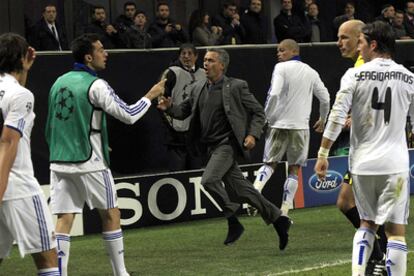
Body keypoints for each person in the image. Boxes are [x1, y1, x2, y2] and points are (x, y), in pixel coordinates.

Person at [45, 33, 165, 276]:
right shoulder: (95, 84)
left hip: (59, 162)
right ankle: (121, 273)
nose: (105, 53)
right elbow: (129, 114)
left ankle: (57, 273)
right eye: (101, 50)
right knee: (111, 213)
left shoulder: (59, 82)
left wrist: (97, 140)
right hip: (91, 163)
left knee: (64, 219)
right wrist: (151, 95)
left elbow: (53, 126)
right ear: (89, 57)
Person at [157, 48, 292, 250]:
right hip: (210, 147)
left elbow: (258, 113)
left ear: (222, 65)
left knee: (209, 180)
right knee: (244, 191)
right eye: (205, 60)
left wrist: (252, 135)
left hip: (227, 145)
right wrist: (169, 108)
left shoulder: (236, 86)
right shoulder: (198, 87)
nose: (205, 63)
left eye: (211, 60)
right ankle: (278, 219)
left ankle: (232, 220)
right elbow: (183, 111)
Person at [314, 21, 411, 276]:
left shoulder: (354, 75)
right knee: (395, 233)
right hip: (395, 164)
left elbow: (336, 116)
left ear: (373, 44)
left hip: (363, 164)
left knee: (366, 225)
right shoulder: (409, 78)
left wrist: (323, 153)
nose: (359, 47)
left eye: (361, 43)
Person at [0, 33, 59, 275]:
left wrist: (25, 68)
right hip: (17, 186)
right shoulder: (22, 95)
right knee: (48, 257)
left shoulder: (13, 91)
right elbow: (7, 142)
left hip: (5, 187)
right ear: (23, 58)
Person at [252, 39, 330, 218]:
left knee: (269, 164)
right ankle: (285, 211)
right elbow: (325, 97)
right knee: (294, 169)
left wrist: (266, 117)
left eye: (282, 51)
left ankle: (255, 193)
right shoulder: (311, 72)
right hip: (300, 127)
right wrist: (323, 119)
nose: (278, 54)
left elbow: (274, 93)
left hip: (278, 123)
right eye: (278, 51)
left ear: (294, 51)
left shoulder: (281, 68)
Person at [335, 20, 388, 275]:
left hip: (373, 149)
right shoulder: (358, 65)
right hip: (364, 149)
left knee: (350, 202)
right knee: (349, 203)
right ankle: (380, 253)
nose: (339, 43)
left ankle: (379, 255)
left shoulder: (366, 65)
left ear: (361, 40)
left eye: (344, 37)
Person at [161, 44, 206, 171]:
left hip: (196, 135)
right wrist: (170, 126)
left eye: (190, 53)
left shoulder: (203, 74)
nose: (186, 56)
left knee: (196, 175)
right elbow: (160, 101)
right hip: (176, 136)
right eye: (183, 54)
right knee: (177, 174)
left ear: (196, 56)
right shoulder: (171, 73)